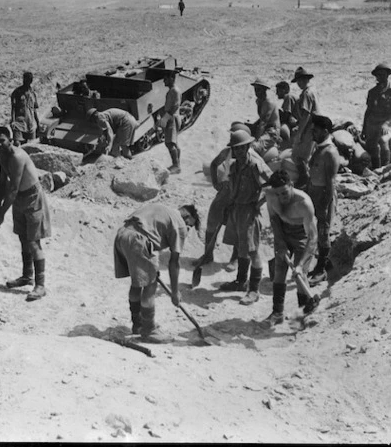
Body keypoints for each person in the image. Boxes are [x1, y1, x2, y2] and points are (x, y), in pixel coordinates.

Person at [114, 203, 200, 343]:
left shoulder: (163, 210)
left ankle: (138, 325)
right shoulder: (179, 224)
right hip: (138, 240)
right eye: (190, 225)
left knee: (137, 284)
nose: (188, 230)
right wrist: (175, 292)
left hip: (122, 235)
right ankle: (149, 331)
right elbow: (174, 262)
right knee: (150, 285)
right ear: (187, 216)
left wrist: (152, 269)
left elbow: (152, 234)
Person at [0, 126, 51, 302]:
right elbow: (3, 181)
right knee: (23, 238)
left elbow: (13, 189)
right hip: (18, 200)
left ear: (10, 139)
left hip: (32, 198)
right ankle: (27, 276)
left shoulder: (17, 157)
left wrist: (1, 214)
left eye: (2, 140)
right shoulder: (2, 156)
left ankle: (40, 286)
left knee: (33, 242)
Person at [219, 130, 273, 305]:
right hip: (237, 208)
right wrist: (229, 205)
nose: (239, 152)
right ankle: (240, 282)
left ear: (248, 146)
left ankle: (254, 290)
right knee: (241, 246)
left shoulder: (255, 164)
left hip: (250, 209)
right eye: (236, 149)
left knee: (252, 249)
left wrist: (260, 202)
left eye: (242, 148)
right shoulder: (235, 165)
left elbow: (273, 183)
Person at [263, 169, 320, 326]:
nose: (282, 197)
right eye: (278, 194)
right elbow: (274, 219)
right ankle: (277, 313)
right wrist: (280, 243)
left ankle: (303, 315)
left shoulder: (304, 203)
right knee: (280, 270)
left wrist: (301, 265)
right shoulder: (270, 195)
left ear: (291, 185)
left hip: (302, 235)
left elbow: (313, 237)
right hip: (283, 232)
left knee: (300, 275)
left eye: (284, 193)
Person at [192, 122, 251, 270]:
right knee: (212, 220)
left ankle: (235, 259)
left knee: (237, 225)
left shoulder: (251, 156)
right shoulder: (227, 152)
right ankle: (208, 254)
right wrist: (215, 183)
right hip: (226, 190)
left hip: (241, 193)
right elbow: (213, 164)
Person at [306, 114, 341, 285]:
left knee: (323, 231)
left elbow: (331, 183)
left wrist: (323, 206)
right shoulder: (319, 147)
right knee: (316, 231)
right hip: (313, 191)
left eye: (315, 130)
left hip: (324, 195)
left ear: (325, 131)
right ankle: (324, 264)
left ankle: (321, 271)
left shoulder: (330, 152)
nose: (312, 133)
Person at [362, 63, 391, 169]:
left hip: (384, 123)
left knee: (383, 142)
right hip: (372, 123)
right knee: (372, 146)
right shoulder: (372, 92)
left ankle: (385, 168)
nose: (380, 77)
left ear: (387, 75)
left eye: (383, 74)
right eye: (378, 75)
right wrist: (364, 128)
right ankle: (376, 169)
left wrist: (387, 123)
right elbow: (368, 111)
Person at [290, 67, 320, 189]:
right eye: (298, 80)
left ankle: (305, 180)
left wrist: (299, 133)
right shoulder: (311, 91)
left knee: (299, 156)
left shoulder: (307, 94)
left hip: (310, 127)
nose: (300, 83)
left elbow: (306, 115)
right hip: (315, 126)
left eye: (302, 80)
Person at [160, 70, 183, 173]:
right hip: (172, 117)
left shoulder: (174, 91)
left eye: (166, 79)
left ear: (172, 79)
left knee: (169, 143)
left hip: (172, 118)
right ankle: (177, 164)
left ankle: (176, 165)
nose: (164, 81)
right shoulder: (172, 90)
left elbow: (175, 106)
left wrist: (166, 118)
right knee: (174, 142)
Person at [10, 71, 40, 146]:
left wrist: (38, 123)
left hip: (30, 124)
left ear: (31, 81)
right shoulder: (17, 92)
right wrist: (13, 121)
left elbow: (34, 110)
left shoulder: (33, 93)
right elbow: (13, 108)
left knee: (28, 147)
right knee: (16, 144)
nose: (26, 81)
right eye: (25, 79)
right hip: (19, 122)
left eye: (29, 80)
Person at [275, 81, 298, 150]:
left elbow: (286, 115)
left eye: (278, 91)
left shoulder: (288, 97)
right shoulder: (289, 97)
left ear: (283, 90)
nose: (276, 93)